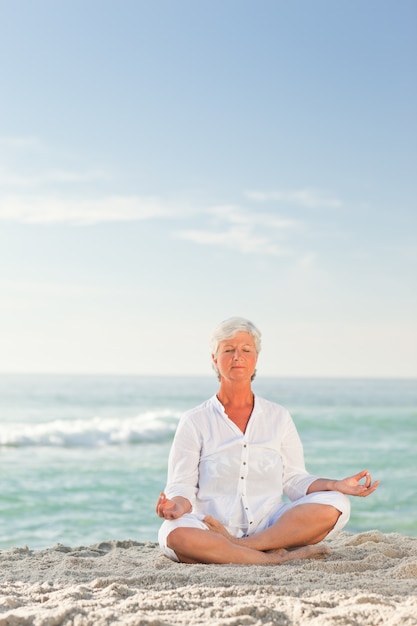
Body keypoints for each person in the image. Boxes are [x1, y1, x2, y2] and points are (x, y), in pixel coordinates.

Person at [156, 317, 379, 565]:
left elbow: (295, 480)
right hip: (209, 525)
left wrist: (336, 484)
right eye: (228, 350)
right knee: (173, 534)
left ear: (256, 359)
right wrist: (175, 506)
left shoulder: (278, 416)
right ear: (214, 359)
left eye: (246, 350)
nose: (237, 356)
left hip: (270, 524)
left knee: (337, 504)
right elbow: (181, 486)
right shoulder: (194, 420)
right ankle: (275, 558)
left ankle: (241, 547)